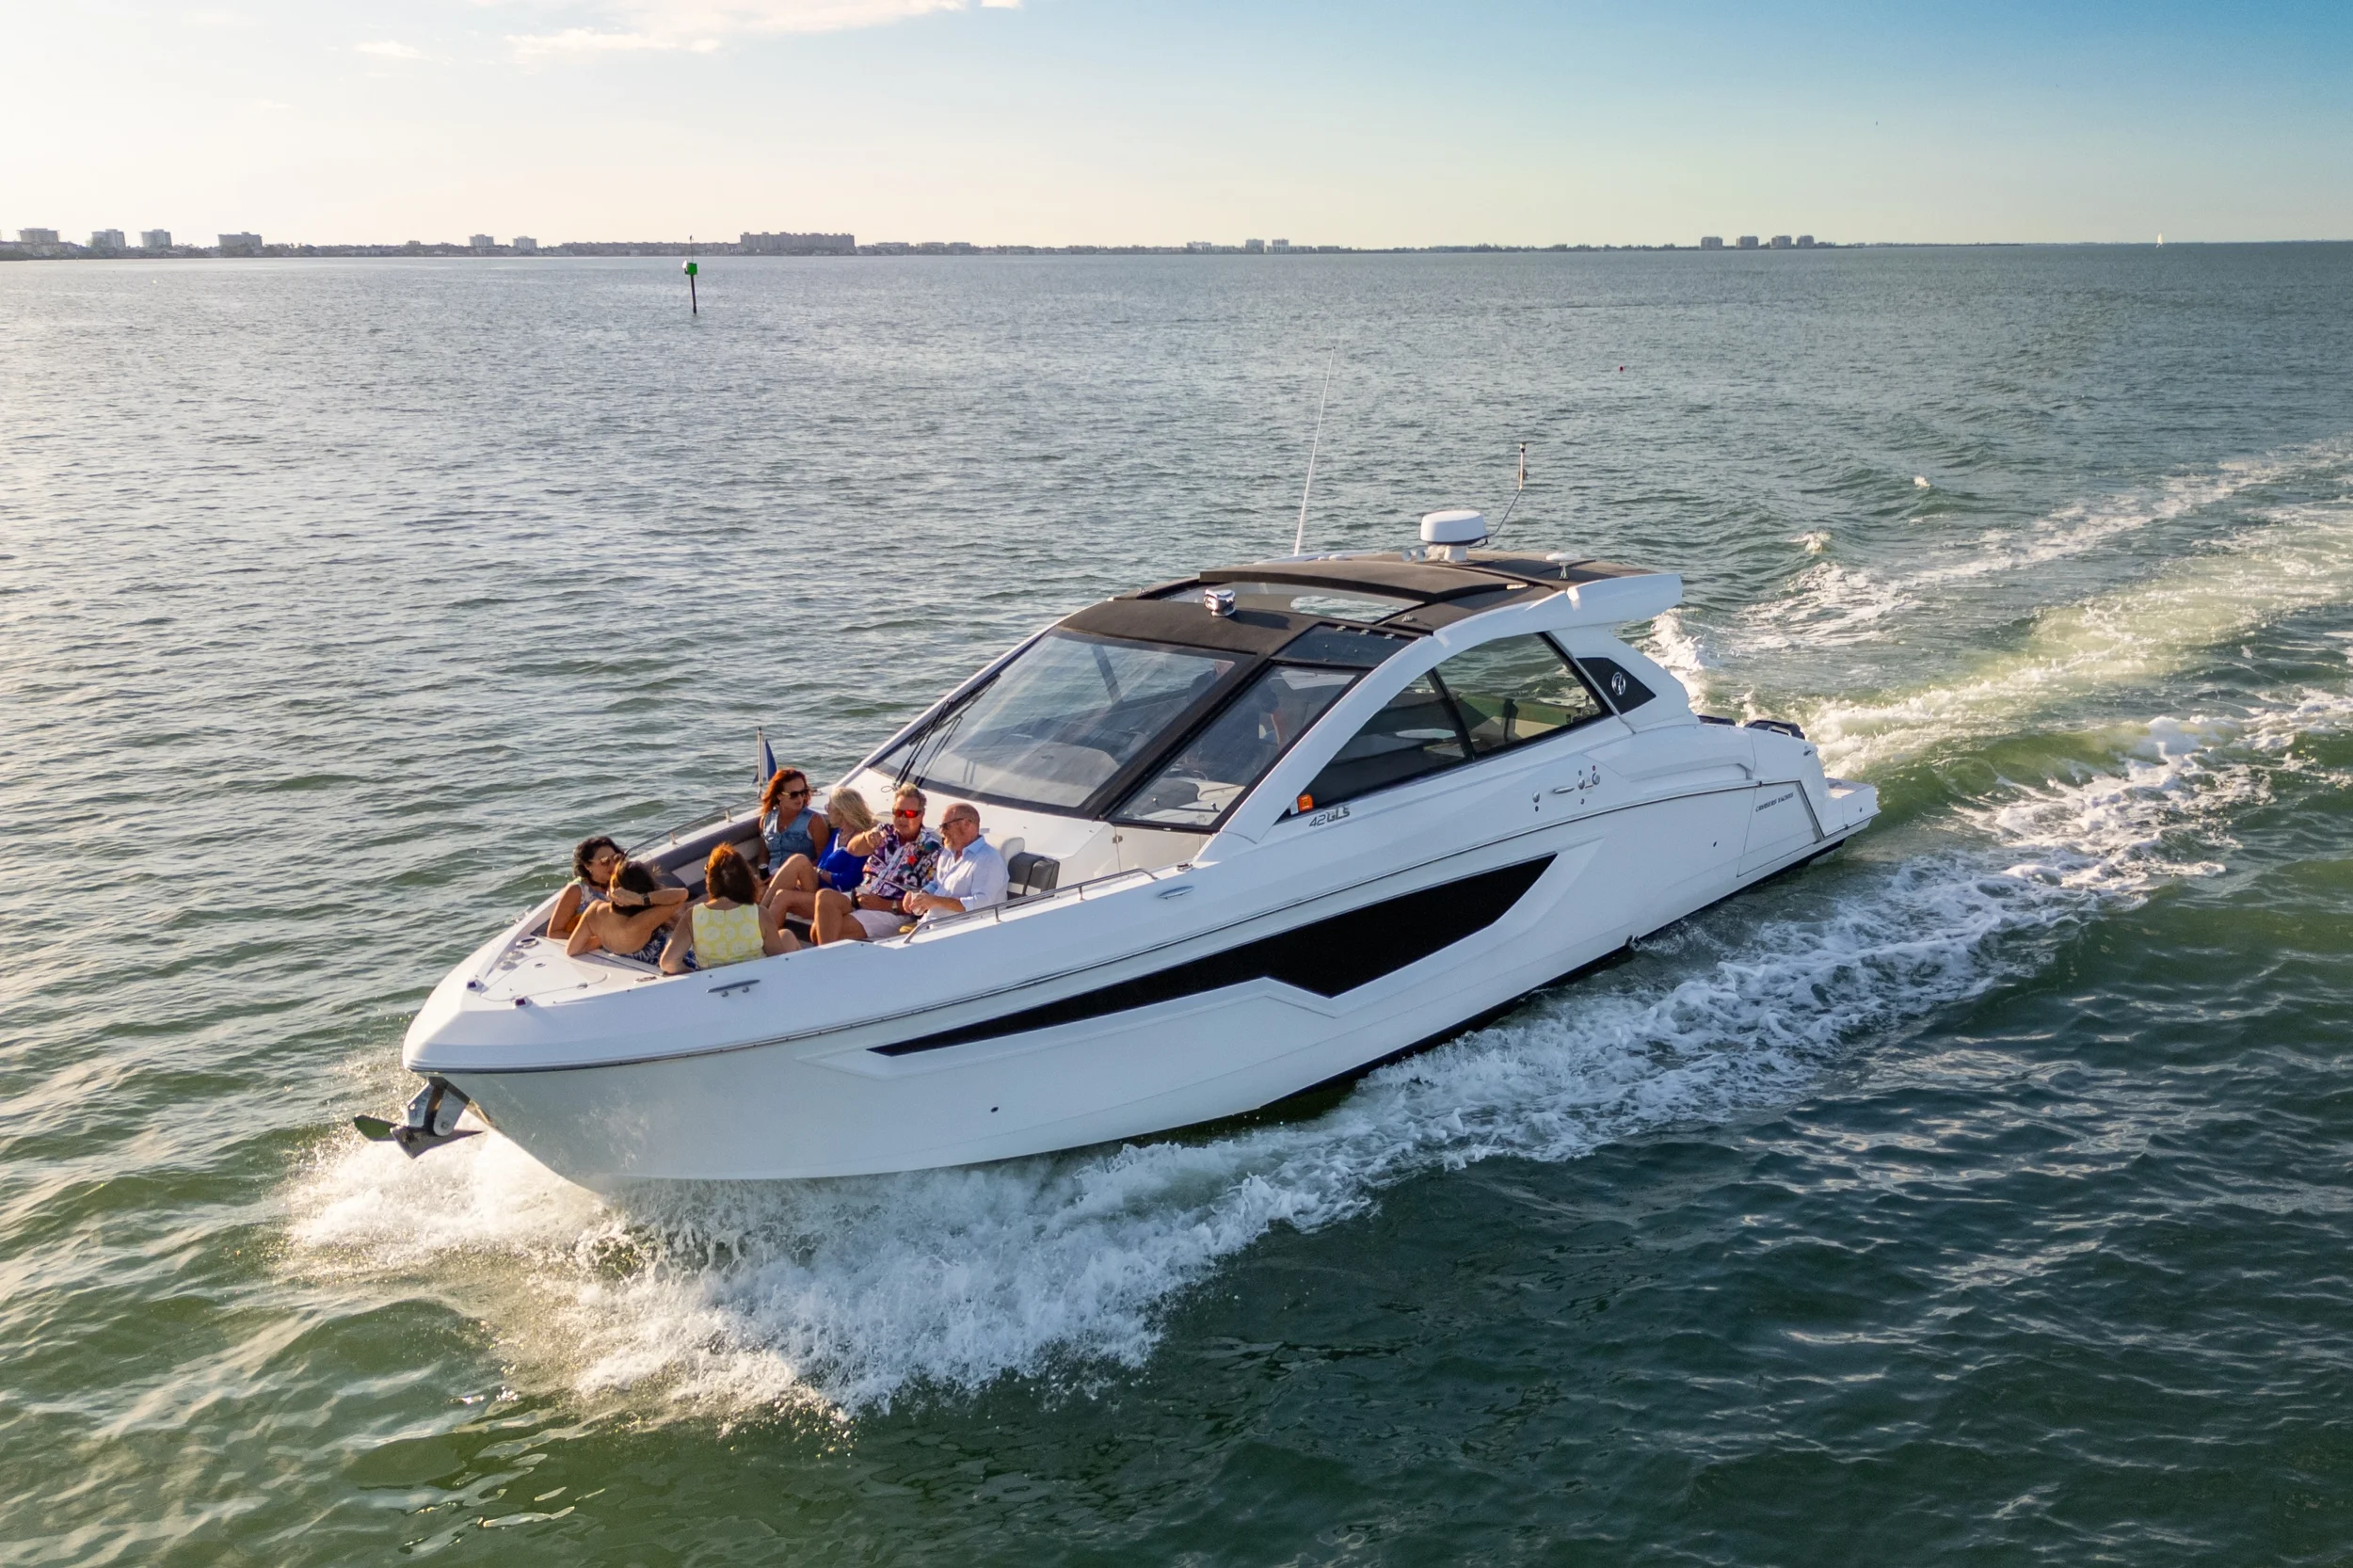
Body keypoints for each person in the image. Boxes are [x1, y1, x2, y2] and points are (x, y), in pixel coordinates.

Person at [809, 785, 944, 943]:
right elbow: (852, 849)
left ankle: (824, 962)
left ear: (921, 815)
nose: (902, 819)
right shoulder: (883, 832)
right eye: (898, 813)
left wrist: (885, 905)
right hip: (861, 896)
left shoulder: (932, 850)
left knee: (831, 932)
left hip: (892, 911)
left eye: (909, 814)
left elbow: (924, 900)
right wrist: (865, 837)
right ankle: (827, 958)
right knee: (823, 900)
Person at [662, 843, 795, 974]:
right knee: (786, 936)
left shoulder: (692, 916)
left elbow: (668, 963)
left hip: (715, 986)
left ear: (710, 881)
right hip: (756, 981)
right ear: (746, 879)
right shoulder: (759, 913)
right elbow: (779, 961)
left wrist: (694, 973)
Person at [762, 784, 877, 925]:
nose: (826, 809)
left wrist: (820, 872)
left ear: (842, 812)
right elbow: (822, 864)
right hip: (820, 887)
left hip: (838, 898)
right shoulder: (838, 834)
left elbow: (851, 881)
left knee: (782, 896)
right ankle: (761, 912)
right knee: (797, 861)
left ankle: (764, 935)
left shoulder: (860, 841)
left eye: (830, 805)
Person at [565, 858, 690, 966]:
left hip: (627, 963)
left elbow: (572, 949)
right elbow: (682, 895)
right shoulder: (643, 920)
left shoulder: (595, 910)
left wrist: (603, 939)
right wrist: (641, 899)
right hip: (663, 966)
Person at [903, 803, 1008, 925]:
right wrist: (921, 896)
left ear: (966, 824)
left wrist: (936, 901)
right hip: (930, 925)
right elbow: (937, 884)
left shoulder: (989, 859)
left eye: (946, 826)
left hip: (961, 932)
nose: (941, 831)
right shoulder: (948, 852)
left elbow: (981, 905)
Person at [757, 768, 831, 883]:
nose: (800, 798)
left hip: (800, 880)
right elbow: (763, 855)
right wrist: (763, 874)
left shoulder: (814, 821)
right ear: (779, 796)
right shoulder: (766, 820)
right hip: (770, 878)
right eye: (794, 794)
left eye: (803, 792)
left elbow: (823, 859)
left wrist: (787, 877)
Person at [549, 835, 627, 940]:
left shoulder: (621, 882)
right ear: (587, 866)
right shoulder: (576, 891)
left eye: (616, 858)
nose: (613, 865)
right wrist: (595, 940)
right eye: (604, 861)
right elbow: (554, 933)